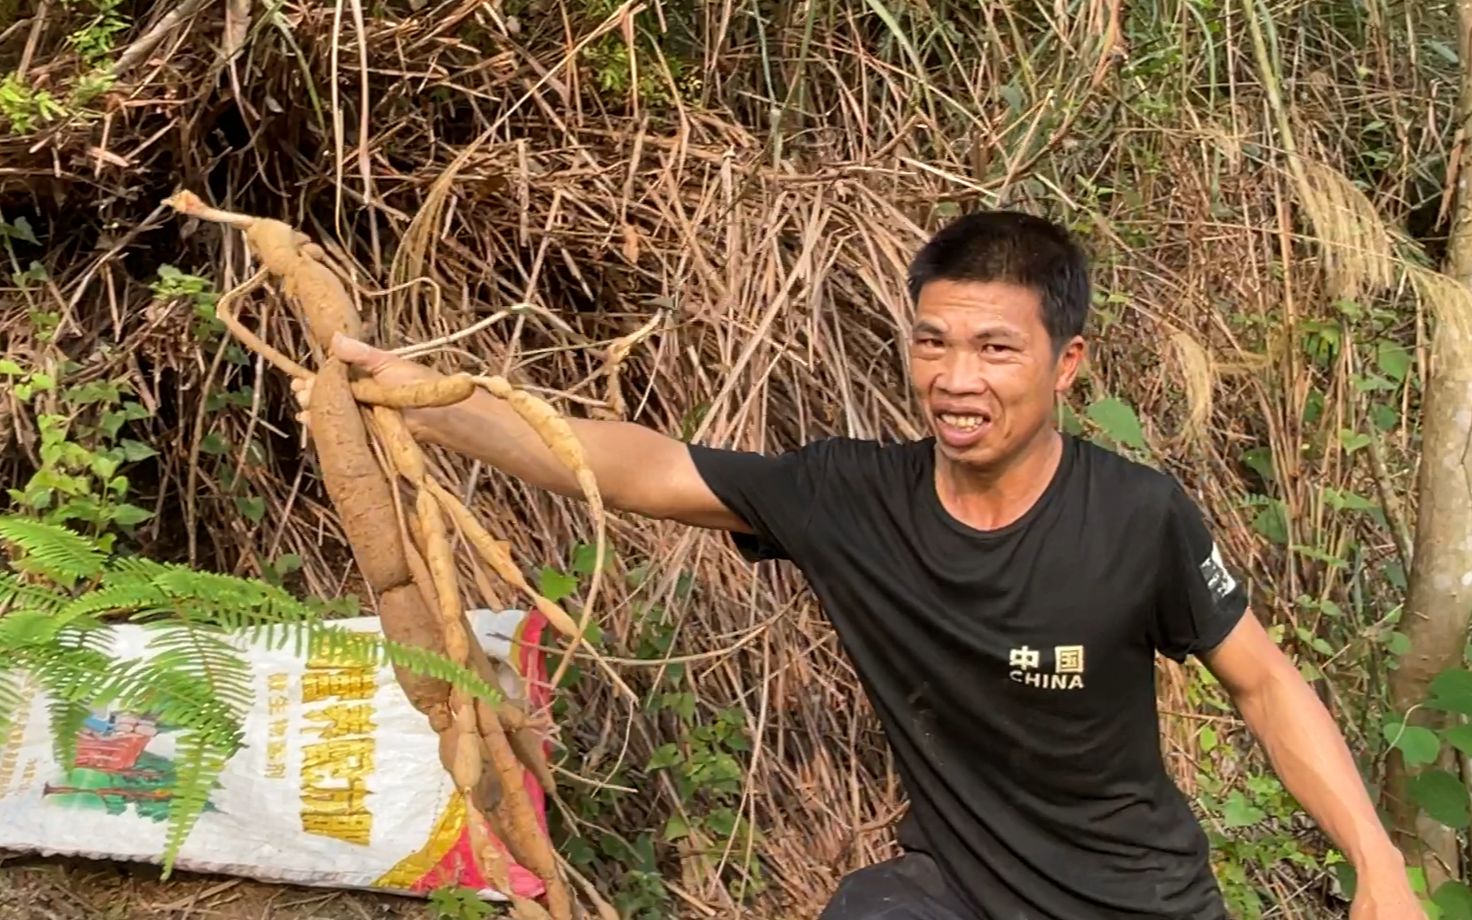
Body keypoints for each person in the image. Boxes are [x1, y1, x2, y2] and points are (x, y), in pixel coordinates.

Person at [295, 210, 1421, 919]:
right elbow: (640, 466)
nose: (954, 375)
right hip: (952, 886)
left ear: (1066, 362)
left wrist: (1375, 863)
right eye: (931, 340)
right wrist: (427, 402)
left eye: (993, 347)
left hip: (1133, 894)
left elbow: (1263, 682)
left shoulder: (1136, 516)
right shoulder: (850, 496)